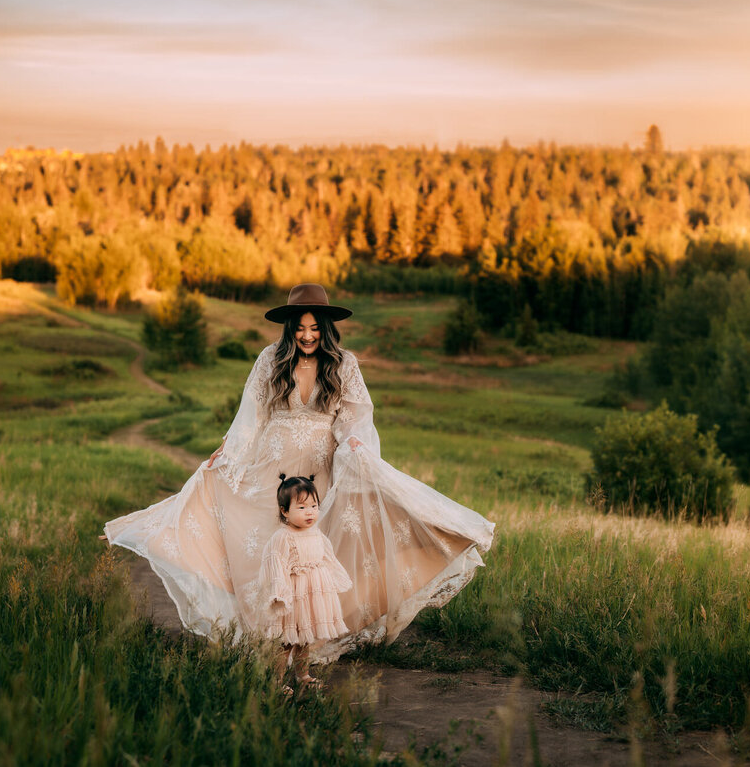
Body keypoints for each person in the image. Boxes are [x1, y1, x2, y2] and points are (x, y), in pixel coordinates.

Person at [103, 283, 495, 662]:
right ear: (290, 328)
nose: (307, 335)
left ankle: (306, 643)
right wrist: (227, 451)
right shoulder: (269, 359)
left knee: (311, 555)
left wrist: (355, 442)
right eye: (300, 328)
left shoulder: (344, 363)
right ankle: (272, 642)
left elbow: (355, 416)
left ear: (326, 328)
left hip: (317, 473)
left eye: (314, 328)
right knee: (266, 548)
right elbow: (251, 416)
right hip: (271, 467)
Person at [254, 474, 351, 690]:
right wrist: (279, 594)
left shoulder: (316, 533)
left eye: (314, 506)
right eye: (302, 507)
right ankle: (277, 681)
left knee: (305, 639)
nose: (310, 512)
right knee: (287, 642)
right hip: (294, 596)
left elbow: (327, 558)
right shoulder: (283, 537)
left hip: (313, 595)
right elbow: (276, 566)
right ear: (284, 511)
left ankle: (303, 675)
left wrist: (334, 580)